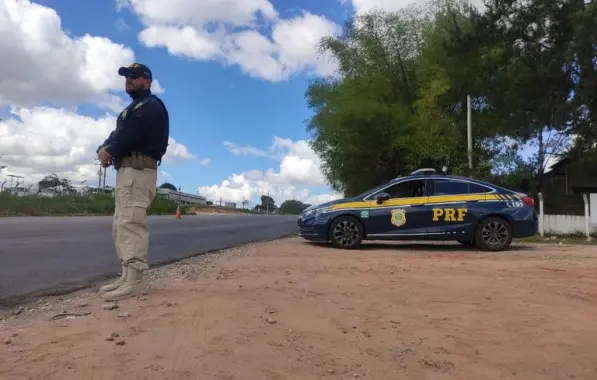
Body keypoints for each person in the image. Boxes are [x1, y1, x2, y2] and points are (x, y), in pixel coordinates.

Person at [96, 62, 169, 301]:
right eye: (127, 76)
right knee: (121, 223)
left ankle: (135, 280)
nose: (128, 80)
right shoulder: (134, 108)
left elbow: (128, 135)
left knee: (132, 221)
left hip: (139, 170)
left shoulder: (150, 106)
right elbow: (118, 135)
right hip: (127, 170)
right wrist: (104, 149)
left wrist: (109, 150)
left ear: (147, 81)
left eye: (134, 76)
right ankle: (127, 275)